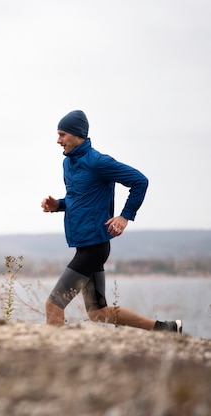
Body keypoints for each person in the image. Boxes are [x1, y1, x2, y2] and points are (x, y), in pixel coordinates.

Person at [41, 110, 182, 333]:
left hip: (94, 248)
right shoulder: (69, 164)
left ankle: (54, 357)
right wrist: (58, 205)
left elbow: (139, 181)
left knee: (53, 304)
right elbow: (76, 199)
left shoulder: (98, 162)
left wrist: (125, 216)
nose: (58, 140)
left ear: (78, 135)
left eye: (62, 134)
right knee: (98, 312)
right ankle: (166, 329)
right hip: (84, 246)